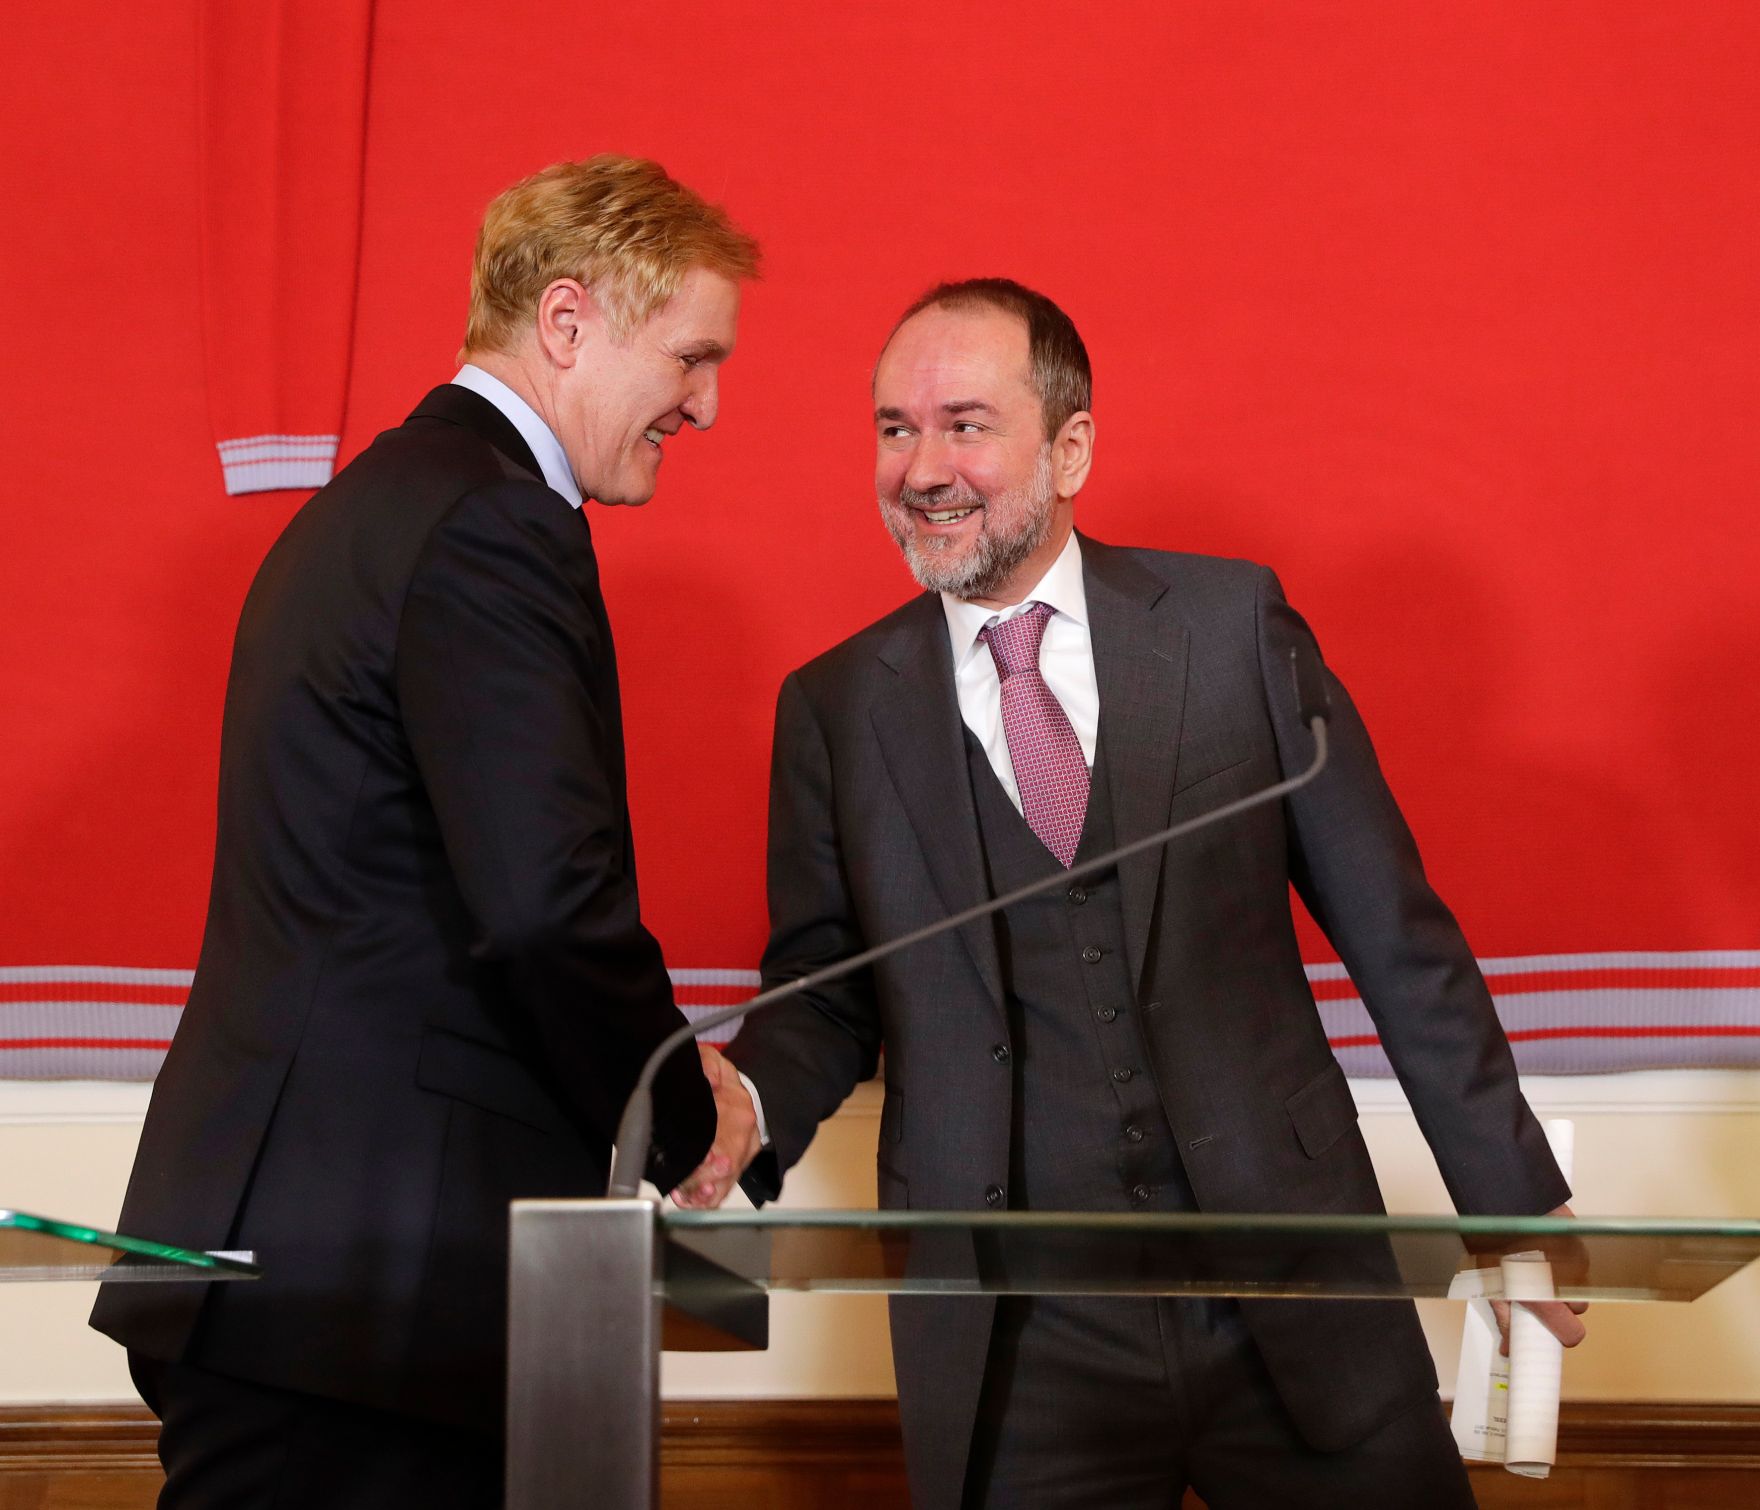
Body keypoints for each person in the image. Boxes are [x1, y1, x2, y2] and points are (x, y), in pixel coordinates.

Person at [687, 279, 1585, 1508]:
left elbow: (1394, 933)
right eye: (894, 428)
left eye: (964, 423)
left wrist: (1509, 1197)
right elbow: (825, 994)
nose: (921, 467)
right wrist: (743, 1102)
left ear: (1070, 448)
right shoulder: (836, 709)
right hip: (1023, 1339)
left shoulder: (1227, 626)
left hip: (1285, 1282)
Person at [91, 156, 762, 1509]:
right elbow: (540, 908)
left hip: (299, 1273)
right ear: (567, 323)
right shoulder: (493, 524)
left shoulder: (384, 503)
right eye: (691, 354)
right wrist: (687, 1110)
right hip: (360, 1298)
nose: (706, 401)